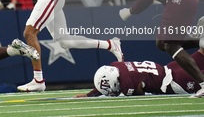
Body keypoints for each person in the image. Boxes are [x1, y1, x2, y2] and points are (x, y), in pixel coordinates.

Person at [75, 49, 204, 97]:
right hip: (171, 68)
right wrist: (89, 95)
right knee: (202, 52)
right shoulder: (116, 65)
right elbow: (108, 79)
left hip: (175, 83)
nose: (112, 92)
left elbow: (140, 93)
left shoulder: (127, 84)